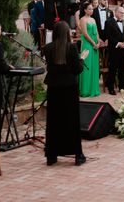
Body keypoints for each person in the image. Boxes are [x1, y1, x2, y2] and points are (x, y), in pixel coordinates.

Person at [43, 21, 89, 166]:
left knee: (53, 121)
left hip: (54, 88)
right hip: (69, 88)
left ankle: (51, 155)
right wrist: (82, 58)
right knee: (72, 121)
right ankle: (77, 154)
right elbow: (77, 70)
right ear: (67, 33)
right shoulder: (71, 48)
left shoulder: (48, 48)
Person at [105, 7, 124, 95]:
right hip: (114, 49)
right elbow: (108, 35)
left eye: (123, 13)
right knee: (113, 69)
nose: (122, 14)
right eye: (121, 12)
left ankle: (121, 86)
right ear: (115, 12)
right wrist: (118, 43)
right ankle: (110, 87)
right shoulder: (109, 22)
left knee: (122, 69)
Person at [78, 3, 101, 97]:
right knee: (87, 66)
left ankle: (93, 89)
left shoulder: (93, 19)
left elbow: (97, 32)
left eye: (92, 9)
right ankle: (85, 90)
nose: (91, 11)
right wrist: (93, 43)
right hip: (87, 45)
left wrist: (98, 42)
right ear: (85, 10)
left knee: (94, 66)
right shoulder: (82, 19)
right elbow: (85, 34)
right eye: (89, 9)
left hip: (95, 45)